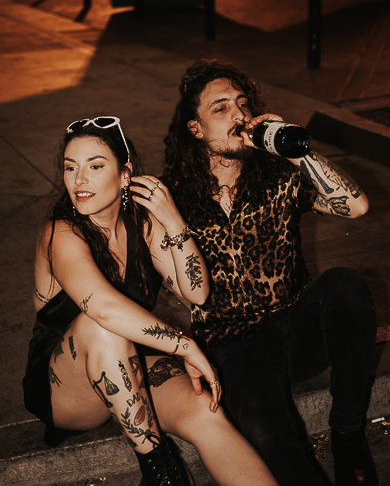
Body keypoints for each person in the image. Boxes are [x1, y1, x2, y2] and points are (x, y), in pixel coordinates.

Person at [23, 115, 278, 486]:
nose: (79, 180)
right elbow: (104, 308)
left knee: (206, 412)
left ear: (125, 174)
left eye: (95, 166)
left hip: (132, 360)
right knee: (101, 326)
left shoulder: (141, 223)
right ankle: (162, 472)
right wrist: (185, 344)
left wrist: (173, 222)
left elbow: (197, 293)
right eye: (70, 167)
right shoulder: (60, 232)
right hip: (64, 384)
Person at [162, 59, 379, 486]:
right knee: (269, 435)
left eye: (243, 104)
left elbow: (355, 205)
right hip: (236, 343)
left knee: (345, 285)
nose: (239, 116)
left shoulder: (279, 176)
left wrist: (297, 151)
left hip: (296, 324)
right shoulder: (174, 198)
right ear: (196, 129)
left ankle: (348, 434)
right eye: (221, 108)